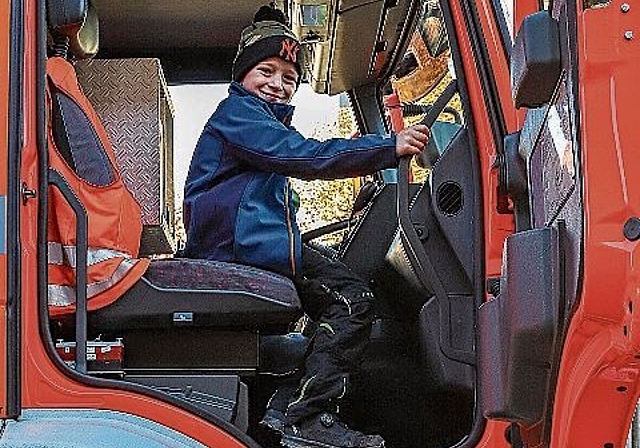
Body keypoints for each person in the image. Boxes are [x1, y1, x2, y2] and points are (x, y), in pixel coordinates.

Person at [182, 5, 430, 448]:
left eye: (289, 77)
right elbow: (308, 157)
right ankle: (304, 415)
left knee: (337, 291)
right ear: (242, 75)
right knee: (353, 301)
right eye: (266, 70)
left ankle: (286, 410)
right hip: (238, 248)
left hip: (248, 244)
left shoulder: (254, 124)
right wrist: (386, 146)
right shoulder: (237, 115)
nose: (278, 84)